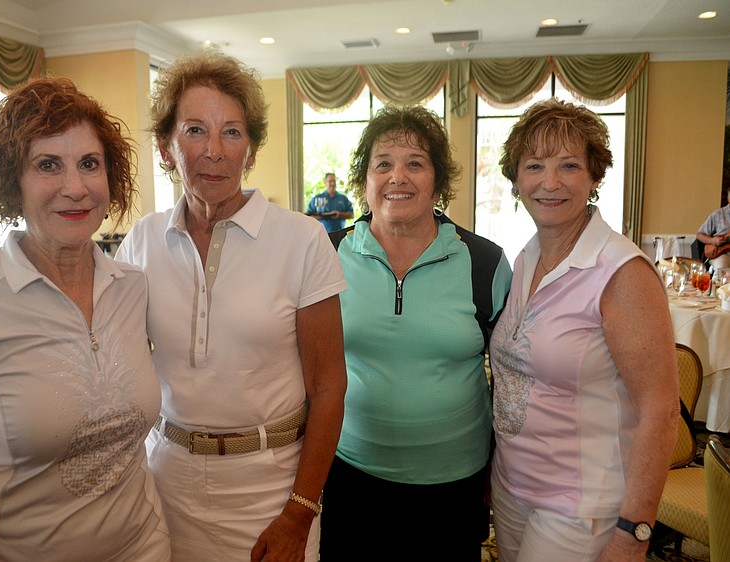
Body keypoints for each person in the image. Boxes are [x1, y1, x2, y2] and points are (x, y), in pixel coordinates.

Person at [0, 78, 171, 561]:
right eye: (47, 165)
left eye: (89, 165)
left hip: (145, 547)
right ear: (14, 182)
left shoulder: (134, 287)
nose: (75, 188)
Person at [115, 52, 347, 561]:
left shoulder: (302, 239)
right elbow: (90, 322)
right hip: (167, 482)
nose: (215, 151)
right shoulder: (142, 241)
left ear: (252, 149)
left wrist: (299, 511)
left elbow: (329, 388)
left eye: (233, 132)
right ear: (166, 146)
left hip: (271, 489)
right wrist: (7, 263)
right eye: (195, 130)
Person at [319, 104, 512, 561]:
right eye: (382, 163)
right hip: (351, 475)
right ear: (363, 180)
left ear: (437, 180)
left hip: (454, 484)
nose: (397, 176)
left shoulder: (485, 263)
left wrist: (499, 468)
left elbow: (511, 379)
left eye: (415, 163)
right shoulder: (327, 256)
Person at [489, 98, 679, 562]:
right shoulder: (527, 256)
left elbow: (661, 412)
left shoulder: (620, 272)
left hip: (583, 507)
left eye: (569, 165)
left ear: (594, 177)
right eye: (534, 166)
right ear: (516, 181)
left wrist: (633, 532)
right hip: (513, 488)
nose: (549, 182)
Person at [696, 190, 730, 267]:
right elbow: (699, 234)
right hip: (722, 254)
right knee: (722, 266)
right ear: (728, 199)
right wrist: (713, 240)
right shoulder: (718, 214)